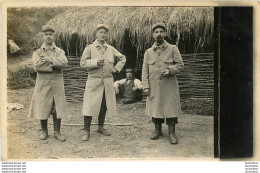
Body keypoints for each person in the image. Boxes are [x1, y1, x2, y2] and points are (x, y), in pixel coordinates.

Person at [80, 24, 126, 141]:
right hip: (93, 81)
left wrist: (116, 69)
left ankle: (100, 127)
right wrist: (95, 62)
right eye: (100, 32)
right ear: (96, 34)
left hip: (107, 82)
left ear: (107, 35)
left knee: (104, 105)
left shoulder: (110, 49)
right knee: (89, 105)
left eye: (105, 32)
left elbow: (122, 58)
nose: (103, 34)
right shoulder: (89, 48)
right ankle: (86, 131)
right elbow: (83, 63)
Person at [142, 23, 184, 144]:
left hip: (169, 85)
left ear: (165, 34)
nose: (159, 34)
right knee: (155, 107)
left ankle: (172, 133)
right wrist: (146, 86)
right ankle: (157, 130)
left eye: (161, 31)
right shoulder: (148, 52)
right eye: (156, 32)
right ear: (153, 35)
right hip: (154, 85)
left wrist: (170, 70)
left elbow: (180, 65)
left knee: (170, 107)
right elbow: (145, 71)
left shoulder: (173, 48)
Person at [28, 25, 68, 142]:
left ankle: (57, 132)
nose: (48, 36)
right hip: (43, 82)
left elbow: (64, 63)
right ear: (43, 36)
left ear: (54, 36)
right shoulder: (37, 51)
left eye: (51, 34)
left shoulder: (60, 51)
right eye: (46, 34)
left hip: (57, 83)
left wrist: (50, 60)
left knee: (57, 106)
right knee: (42, 105)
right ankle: (44, 131)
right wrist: (56, 66)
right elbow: (37, 66)